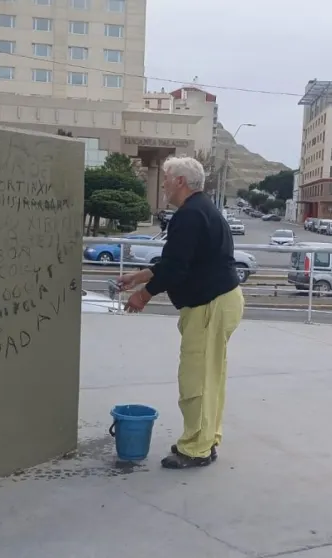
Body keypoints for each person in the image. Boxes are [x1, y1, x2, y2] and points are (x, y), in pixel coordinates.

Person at [116, 156, 245, 469]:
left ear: (181, 182)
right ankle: (206, 438)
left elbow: (175, 269)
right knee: (211, 376)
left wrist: (142, 296)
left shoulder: (188, 216)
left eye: (166, 180)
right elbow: (177, 260)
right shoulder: (201, 210)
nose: (163, 186)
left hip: (209, 306)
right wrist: (140, 276)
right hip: (221, 300)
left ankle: (195, 448)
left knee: (196, 378)